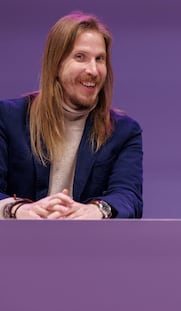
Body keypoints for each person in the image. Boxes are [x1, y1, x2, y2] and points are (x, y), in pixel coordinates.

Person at [0, 12, 143, 219]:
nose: (93, 70)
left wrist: (94, 210)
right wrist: (19, 209)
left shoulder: (123, 131)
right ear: (56, 64)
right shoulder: (8, 118)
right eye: (80, 57)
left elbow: (128, 197)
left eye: (100, 59)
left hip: (88, 247)